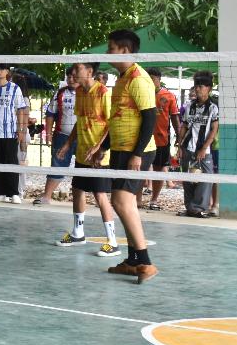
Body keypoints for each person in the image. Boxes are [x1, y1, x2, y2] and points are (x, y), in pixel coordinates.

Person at [104, 28, 159, 283]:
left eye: (111, 48)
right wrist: (103, 147)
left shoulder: (139, 78)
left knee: (122, 202)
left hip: (137, 151)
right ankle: (133, 261)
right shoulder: (122, 78)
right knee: (122, 203)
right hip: (120, 149)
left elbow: (150, 118)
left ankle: (145, 262)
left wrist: (137, 154)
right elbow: (119, 117)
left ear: (124, 51)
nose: (107, 53)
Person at [54, 61, 121, 256]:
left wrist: (100, 147)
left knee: (100, 195)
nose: (74, 72)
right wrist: (68, 144)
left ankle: (113, 241)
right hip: (83, 153)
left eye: (78, 69)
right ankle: (78, 233)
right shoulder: (80, 92)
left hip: (99, 156)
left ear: (89, 71)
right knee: (77, 190)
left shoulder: (103, 93)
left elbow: (111, 123)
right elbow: (79, 121)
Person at [0, 63, 29, 203]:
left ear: (7, 71)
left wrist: (21, 130)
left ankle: (13, 193)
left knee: (11, 162)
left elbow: (21, 110)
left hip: (10, 133)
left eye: (2, 68)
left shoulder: (15, 88)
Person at [176, 71, 218, 218]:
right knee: (188, 178)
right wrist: (179, 146)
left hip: (204, 150)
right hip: (187, 147)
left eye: (201, 86)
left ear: (209, 88)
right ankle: (190, 208)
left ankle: (198, 208)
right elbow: (184, 126)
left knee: (206, 178)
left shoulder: (213, 107)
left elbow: (214, 130)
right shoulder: (189, 106)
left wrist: (204, 148)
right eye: (196, 86)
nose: (197, 89)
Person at [35, 66, 78, 205]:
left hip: (84, 137)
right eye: (69, 76)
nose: (71, 79)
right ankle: (46, 196)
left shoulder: (89, 92)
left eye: (74, 76)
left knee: (88, 168)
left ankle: (97, 199)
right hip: (62, 136)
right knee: (57, 165)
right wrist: (48, 134)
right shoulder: (60, 93)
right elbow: (50, 114)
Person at [143, 68, 180, 211]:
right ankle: (137, 199)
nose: (150, 81)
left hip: (161, 139)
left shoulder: (169, 96)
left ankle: (154, 200)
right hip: (143, 139)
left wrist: (179, 136)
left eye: (152, 78)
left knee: (159, 169)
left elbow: (175, 117)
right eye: (148, 78)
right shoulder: (142, 93)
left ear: (159, 79)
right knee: (140, 169)